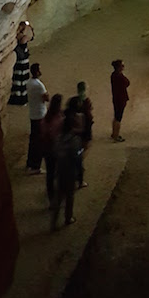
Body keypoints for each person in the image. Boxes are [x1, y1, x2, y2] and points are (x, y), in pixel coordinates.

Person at [50, 100, 83, 230]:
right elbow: (77, 157)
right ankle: (68, 218)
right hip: (70, 171)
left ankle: (53, 221)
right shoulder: (75, 141)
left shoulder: (58, 139)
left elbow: (54, 151)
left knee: (59, 196)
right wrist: (79, 174)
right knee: (69, 196)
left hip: (60, 169)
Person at [41, 93, 64, 204]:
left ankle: (51, 198)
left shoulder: (47, 118)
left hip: (48, 149)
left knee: (50, 174)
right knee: (59, 172)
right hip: (57, 149)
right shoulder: (59, 118)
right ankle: (59, 195)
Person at [26, 62, 49, 172]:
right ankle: (36, 166)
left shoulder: (29, 82)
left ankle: (30, 162)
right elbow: (46, 98)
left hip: (33, 113)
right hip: (40, 114)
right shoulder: (39, 85)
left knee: (33, 139)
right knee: (39, 141)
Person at [8, 19, 34, 106]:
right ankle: (21, 99)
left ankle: (16, 97)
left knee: (18, 80)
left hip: (20, 60)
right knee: (22, 80)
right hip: (23, 61)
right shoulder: (24, 37)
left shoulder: (18, 36)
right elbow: (31, 37)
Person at [73, 80, 94, 188]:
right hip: (85, 129)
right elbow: (89, 116)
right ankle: (78, 166)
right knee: (85, 147)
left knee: (81, 147)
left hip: (77, 130)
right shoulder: (86, 101)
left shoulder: (75, 101)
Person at [110, 58, 130, 142]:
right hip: (121, 99)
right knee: (119, 118)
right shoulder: (120, 77)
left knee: (116, 116)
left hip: (116, 98)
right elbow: (127, 83)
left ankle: (114, 133)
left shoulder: (113, 75)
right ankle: (116, 136)